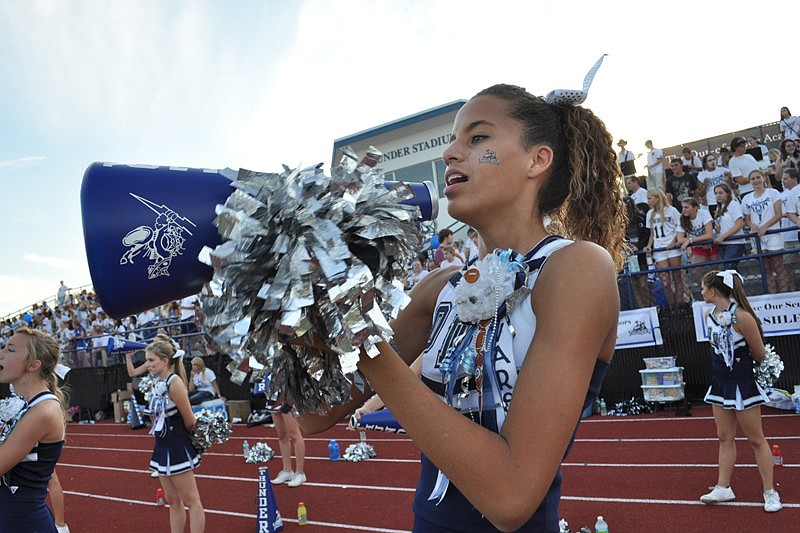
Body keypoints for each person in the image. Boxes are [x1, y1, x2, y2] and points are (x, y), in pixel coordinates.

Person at [299, 82, 626, 531]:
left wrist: (366, 343)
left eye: (477, 138)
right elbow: (314, 413)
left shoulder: (576, 269)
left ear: (537, 160)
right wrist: (309, 304)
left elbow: (511, 498)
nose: (452, 153)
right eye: (453, 141)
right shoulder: (437, 288)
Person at [699, 270, 781, 512]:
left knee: (756, 439)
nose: (701, 292)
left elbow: (760, 353)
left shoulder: (743, 317)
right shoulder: (708, 315)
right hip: (720, 385)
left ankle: (770, 492)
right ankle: (724, 487)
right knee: (724, 437)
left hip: (743, 386)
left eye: (703, 288)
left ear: (713, 292)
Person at [0, 327, 67, 532]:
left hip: (22, 522)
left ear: (33, 365)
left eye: (10, 349)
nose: (1, 353)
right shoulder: (26, 404)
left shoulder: (43, 411)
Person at [146, 339, 205, 532]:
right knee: (173, 501)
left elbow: (189, 420)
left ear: (165, 361)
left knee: (193, 500)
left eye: (151, 360)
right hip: (162, 446)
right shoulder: (157, 382)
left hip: (177, 446)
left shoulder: (175, 382)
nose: (148, 364)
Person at [742, 169, 788, 293]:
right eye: (753, 179)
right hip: (757, 237)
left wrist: (765, 227)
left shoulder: (773, 193)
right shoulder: (746, 198)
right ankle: (772, 296)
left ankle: (785, 294)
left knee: (779, 267)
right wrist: (753, 225)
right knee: (766, 269)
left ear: (763, 178)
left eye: (758, 177)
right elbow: (747, 219)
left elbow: (778, 214)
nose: (756, 180)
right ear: (750, 181)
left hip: (773, 233)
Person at [643, 188, 686, 305]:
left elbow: (680, 227)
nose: (648, 201)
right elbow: (652, 233)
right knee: (665, 282)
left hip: (672, 249)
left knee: (677, 279)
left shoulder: (672, 211)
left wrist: (673, 241)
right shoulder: (649, 214)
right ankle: (672, 307)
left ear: (658, 198)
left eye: (650, 198)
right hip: (659, 250)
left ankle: (680, 306)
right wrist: (648, 246)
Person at [678, 197, 716, 295]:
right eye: (683, 207)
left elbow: (709, 234)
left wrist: (690, 240)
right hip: (698, 247)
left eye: (687, 207)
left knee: (715, 269)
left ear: (695, 208)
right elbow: (680, 239)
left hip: (711, 244)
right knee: (694, 269)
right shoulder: (682, 219)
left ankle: (719, 291)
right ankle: (706, 290)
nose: (684, 210)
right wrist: (691, 241)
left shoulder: (703, 213)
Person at [269, 403, 307, 488]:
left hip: (287, 396)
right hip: (273, 396)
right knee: (282, 435)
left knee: (294, 434)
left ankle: (300, 473)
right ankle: (287, 470)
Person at [712, 183, 746, 271]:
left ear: (727, 193)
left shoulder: (733, 204)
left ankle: (736, 285)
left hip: (734, 242)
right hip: (723, 244)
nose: (718, 195)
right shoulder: (719, 208)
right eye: (716, 193)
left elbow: (740, 223)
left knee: (730, 269)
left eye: (720, 193)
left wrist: (723, 236)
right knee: (727, 270)